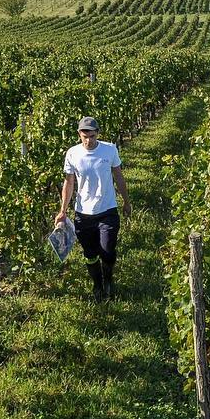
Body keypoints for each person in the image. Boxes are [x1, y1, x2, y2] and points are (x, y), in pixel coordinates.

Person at [54, 116, 130, 301]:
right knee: (89, 254)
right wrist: (63, 211)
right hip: (83, 214)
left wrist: (126, 202)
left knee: (108, 251)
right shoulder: (72, 153)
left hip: (108, 210)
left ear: (98, 134)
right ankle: (97, 284)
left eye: (93, 136)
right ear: (79, 134)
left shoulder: (110, 150)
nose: (89, 140)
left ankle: (108, 280)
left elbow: (118, 177)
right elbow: (69, 183)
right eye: (85, 136)